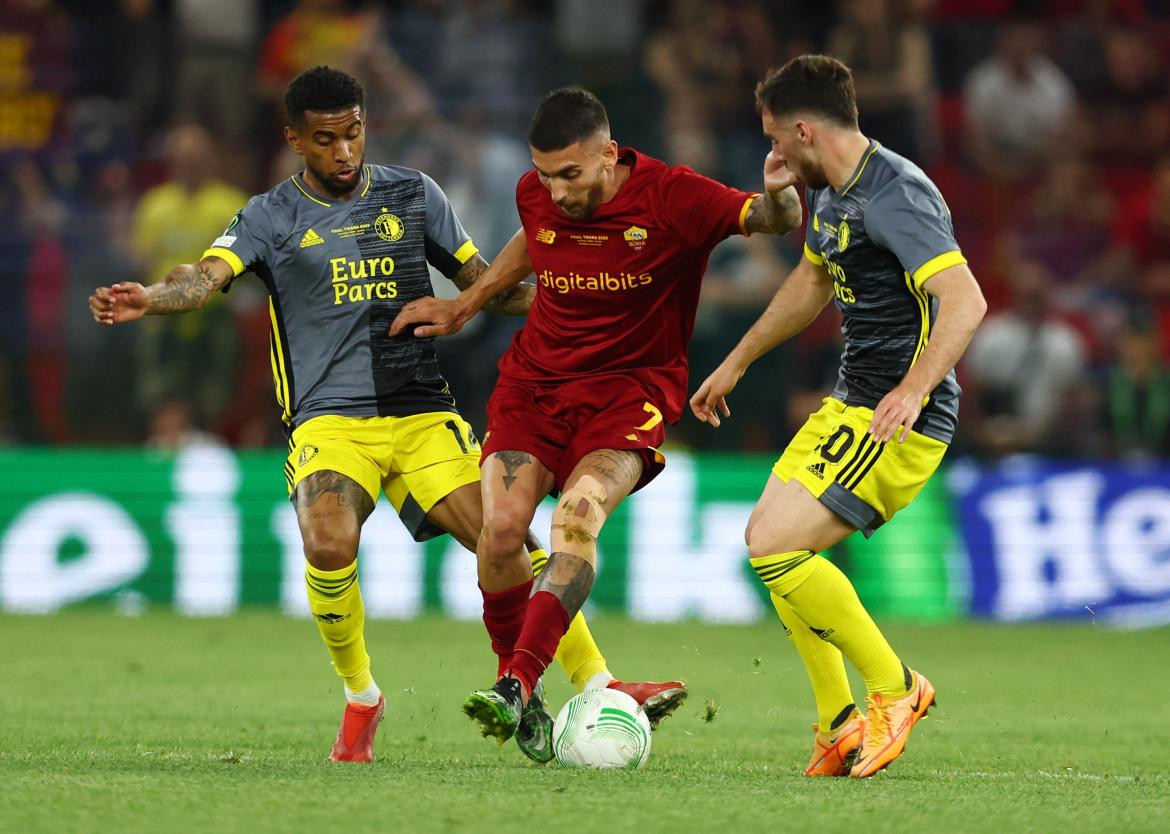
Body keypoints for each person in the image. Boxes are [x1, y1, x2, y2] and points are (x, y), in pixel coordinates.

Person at [88, 66, 684, 766]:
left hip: (422, 414)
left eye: (353, 132)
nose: (344, 151)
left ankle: (600, 683)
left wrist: (590, 296)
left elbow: (481, 284)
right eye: (325, 139)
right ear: (294, 140)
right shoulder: (270, 216)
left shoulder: (413, 194)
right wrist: (153, 298)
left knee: (507, 539)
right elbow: (203, 278)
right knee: (329, 543)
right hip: (329, 420)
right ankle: (363, 697)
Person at [390, 87, 803, 744]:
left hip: (626, 394)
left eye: (571, 175)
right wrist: (466, 304)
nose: (555, 191)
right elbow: (534, 239)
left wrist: (782, 192)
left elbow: (772, 220)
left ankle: (517, 681)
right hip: (534, 386)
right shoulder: (538, 193)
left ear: (609, 155)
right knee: (500, 531)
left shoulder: (675, 197)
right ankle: (517, 686)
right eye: (546, 175)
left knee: (575, 519)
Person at [689, 55, 987, 778]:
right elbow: (811, 280)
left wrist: (913, 390)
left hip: (899, 415)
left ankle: (895, 688)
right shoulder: (834, 191)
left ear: (802, 128)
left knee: (778, 548)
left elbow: (967, 300)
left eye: (775, 139)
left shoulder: (897, 193)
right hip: (852, 399)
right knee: (768, 544)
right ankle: (837, 722)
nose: (773, 154)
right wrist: (738, 361)